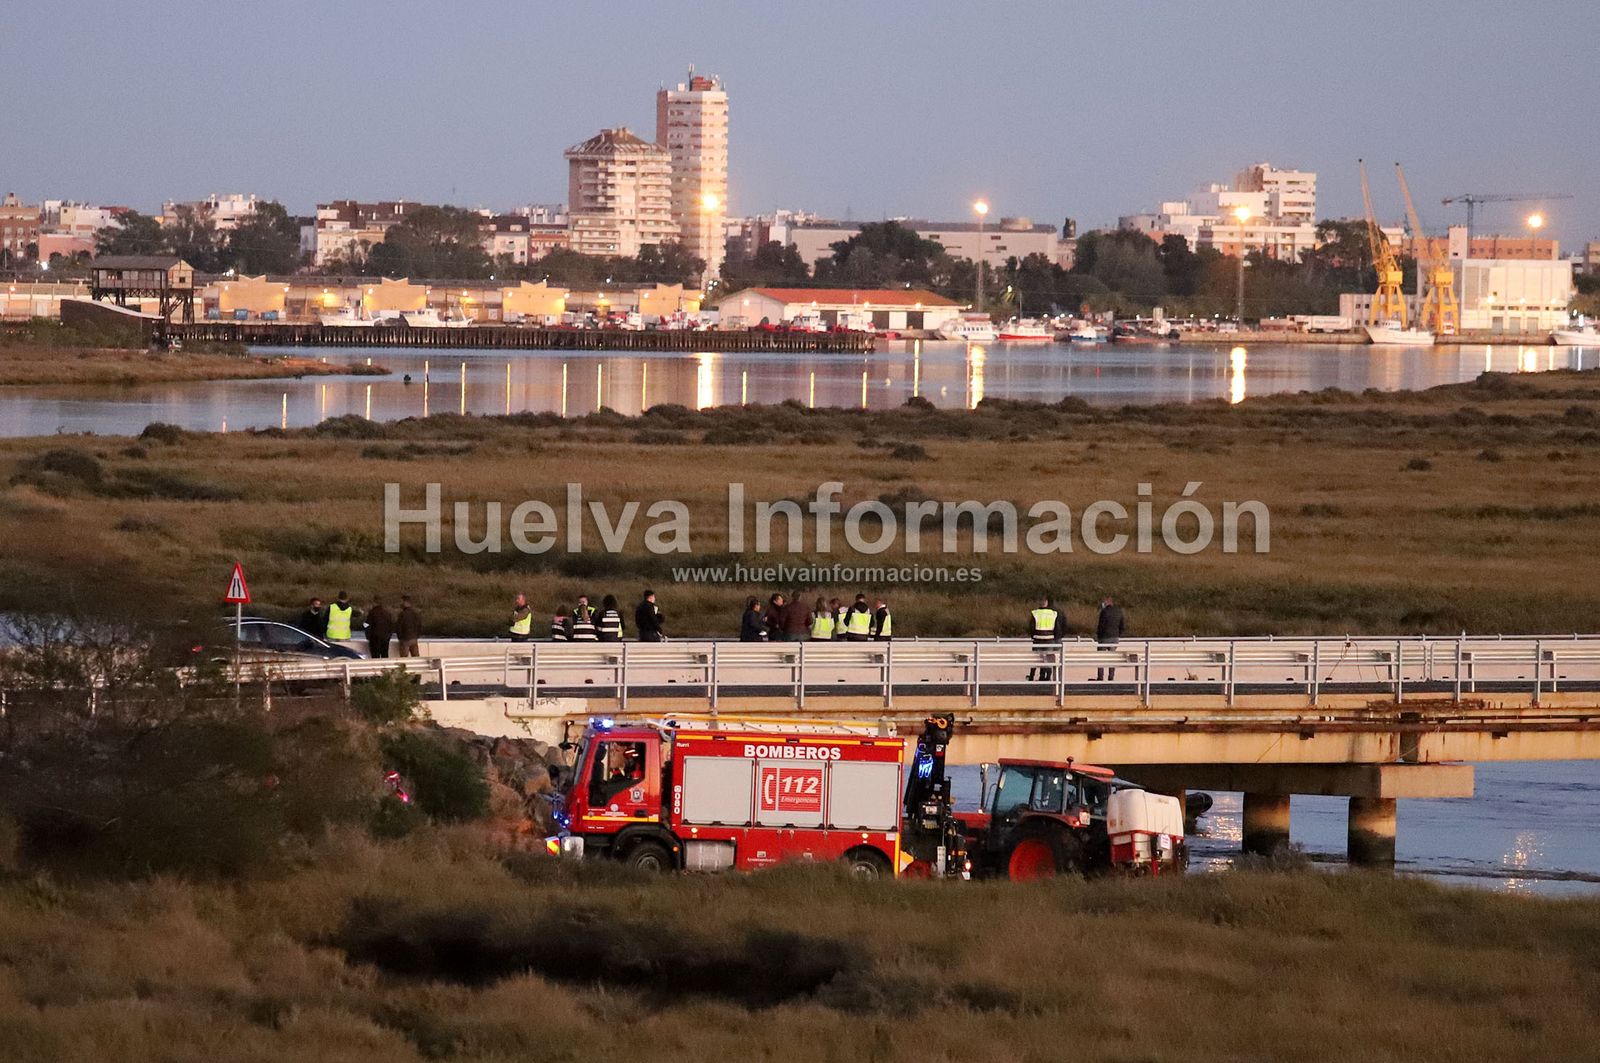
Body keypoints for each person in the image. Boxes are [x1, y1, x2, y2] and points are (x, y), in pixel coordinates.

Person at [1028, 595, 1063, 682]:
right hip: (1049, 639)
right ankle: (1047, 677)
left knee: (1036, 659)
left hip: (1037, 639)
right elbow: (1057, 628)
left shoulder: (1035, 613)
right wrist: (1056, 637)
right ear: (1047, 603)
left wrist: (1033, 636)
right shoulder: (1053, 613)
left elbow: (1031, 627)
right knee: (1049, 659)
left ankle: (1033, 676)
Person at [1096, 596, 1126, 681]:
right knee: (1112, 658)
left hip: (1104, 637)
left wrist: (1098, 636)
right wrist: (1118, 635)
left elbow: (1101, 626)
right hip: (1114, 637)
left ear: (1107, 603)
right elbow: (1122, 625)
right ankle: (1111, 676)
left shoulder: (1104, 612)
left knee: (1100, 657)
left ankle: (1100, 676)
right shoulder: (1119, 612)